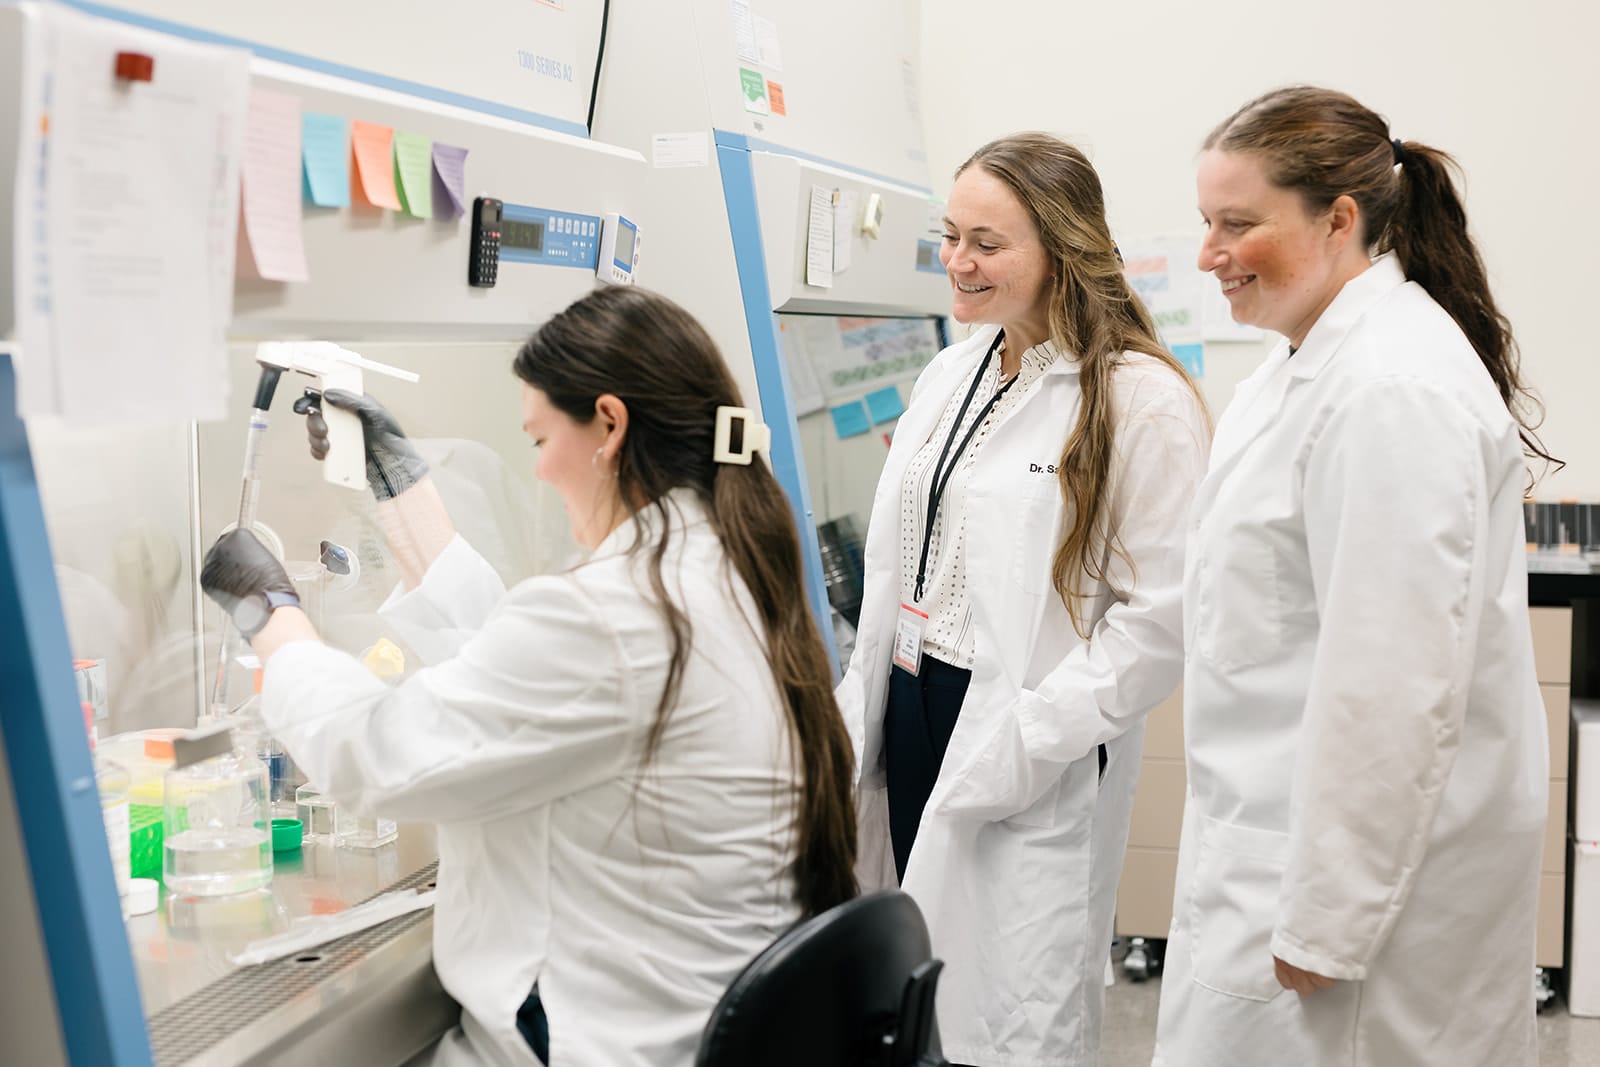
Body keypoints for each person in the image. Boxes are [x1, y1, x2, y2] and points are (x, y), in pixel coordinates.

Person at [200, 285, 858, 1067]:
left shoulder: (625, 612)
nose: (539, 471)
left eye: (542, 438)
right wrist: (410, 505)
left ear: (609, 425)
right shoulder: (723, 570)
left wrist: (274, 617)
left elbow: (379, 755)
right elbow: (531, 686)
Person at [1154, 86, 1556, 1067]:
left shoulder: (1388, 387)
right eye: (1205, 222)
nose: (1209, 253)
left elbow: (1393, 686)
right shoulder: (1300, 367)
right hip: (1268, 839)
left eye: (1237, 224)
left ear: (1339, 218)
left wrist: (1330, 920)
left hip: (1346, 893)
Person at [835, 132, 1210, 1066]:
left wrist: (1030, 738)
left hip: (1021, 735)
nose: (959, 262)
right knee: (909, 991)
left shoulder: (1139, 399)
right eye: (951, 236)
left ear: (1061, 249)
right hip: (914, 706)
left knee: (1011, 1014)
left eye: (988, 243)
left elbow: (1159, 623)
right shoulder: (951, 372)